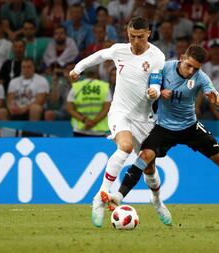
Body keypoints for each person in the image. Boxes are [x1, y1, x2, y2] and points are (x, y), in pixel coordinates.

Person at [103, 45, 219, 221]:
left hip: (190, 126)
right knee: (144, 156)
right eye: (189, 66)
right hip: (164, 127)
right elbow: (149, 87)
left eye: (196, 68)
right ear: (182, 58)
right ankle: (118, 197)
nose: (191, 71)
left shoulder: (201, 78)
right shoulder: (164, 68)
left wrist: (216, 100)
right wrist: (158, 92)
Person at [69, 16, 168, 227]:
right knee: (125, 147)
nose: (136, 42)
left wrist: (154, 92)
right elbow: (98, 56)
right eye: (132, 37)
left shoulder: (157, 56)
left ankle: (157, 201)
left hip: (145, 118)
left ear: (148, 34)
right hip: (120, 112)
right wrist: (78, 69)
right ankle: (100, 196)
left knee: (149, 168)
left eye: (141, 37)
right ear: (128, 33)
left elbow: (157, 82)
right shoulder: (119, 50)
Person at [67, 66, 111, 137]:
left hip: (80, 128)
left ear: (85, 74)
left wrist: (85, 121)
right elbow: (107, 108)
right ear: (97, 73)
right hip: (99, 129)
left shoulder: (76, 87)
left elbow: (70, 109)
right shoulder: (104, 87)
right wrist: (93, 122)